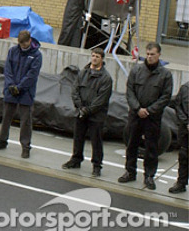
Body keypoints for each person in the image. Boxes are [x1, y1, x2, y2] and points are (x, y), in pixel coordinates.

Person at [118, 43, 173, 190]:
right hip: (135, 115)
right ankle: (130, 172)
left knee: (151, 147)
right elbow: (129, 91)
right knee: (131, 145)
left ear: (159, 55)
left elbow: (165, 97)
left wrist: (149, 110)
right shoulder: (137, 70)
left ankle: (149, 176)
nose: (149, 57)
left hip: (152, 118)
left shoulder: (165, 75)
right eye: (147, 54)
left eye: (152, 54)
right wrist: (137, 108)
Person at [61, 48, 113, 177]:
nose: (94, 58)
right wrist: (79, 107)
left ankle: (97, 165)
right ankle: (76, 159)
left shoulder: (106, 78)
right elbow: (75, 90)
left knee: (96, 140)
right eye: (93, 56)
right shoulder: (83, 73)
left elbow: (101, 99)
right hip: (81, 112)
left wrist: (87, 110)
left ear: (102, 59)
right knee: (78, 136)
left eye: (97, 56)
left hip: (96, 115)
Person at [0, 30, 43, 158]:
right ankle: (2, 140)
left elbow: (32, 75)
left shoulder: (36, 55)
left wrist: (19, 87)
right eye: (20, 44)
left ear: (29, 41)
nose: (23, 46)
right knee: (6, 117)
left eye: (25, 44)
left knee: (26, 121)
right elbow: (8, 70)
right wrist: (11, 85)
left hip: (26, 92)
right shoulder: (13, 51)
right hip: (11, 89)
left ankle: (26, 146)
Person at [168, 82, 188, 193]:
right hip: (185, 130)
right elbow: (178, 106)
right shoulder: (185, 88)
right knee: (183, 157)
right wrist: (186, 123)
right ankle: (181, 183)